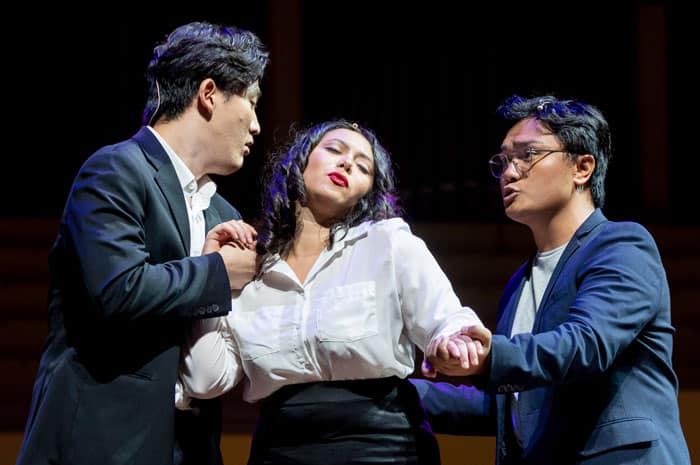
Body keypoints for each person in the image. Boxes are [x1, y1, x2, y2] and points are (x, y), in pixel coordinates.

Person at [16, 21, 269, 465]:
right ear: (209, 94)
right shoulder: (116, 170)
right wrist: (217, 272)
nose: (257, 126)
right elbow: (118, 290)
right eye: (251, 102)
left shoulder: (224, 213)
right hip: (102, 440)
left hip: (191, 445)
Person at [176, 119, 485, 465]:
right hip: (281, 450)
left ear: (368, 191)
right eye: (335, 150)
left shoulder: (388, 243)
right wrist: (212, 274)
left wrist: (456, 338)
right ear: (300, 162)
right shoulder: (251, 267)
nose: (347, 163)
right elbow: (205, 380)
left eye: (363, 166)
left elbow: (445, 318)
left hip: (384, 447)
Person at [412, 95, 691, 465]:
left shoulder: (622, 244)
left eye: (527, 155)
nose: (509, 172)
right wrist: (397, 393)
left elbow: (586, 344)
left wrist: (491, 356)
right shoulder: (519, 284)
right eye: (503, 161)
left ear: (582, 168)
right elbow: (514, 408)